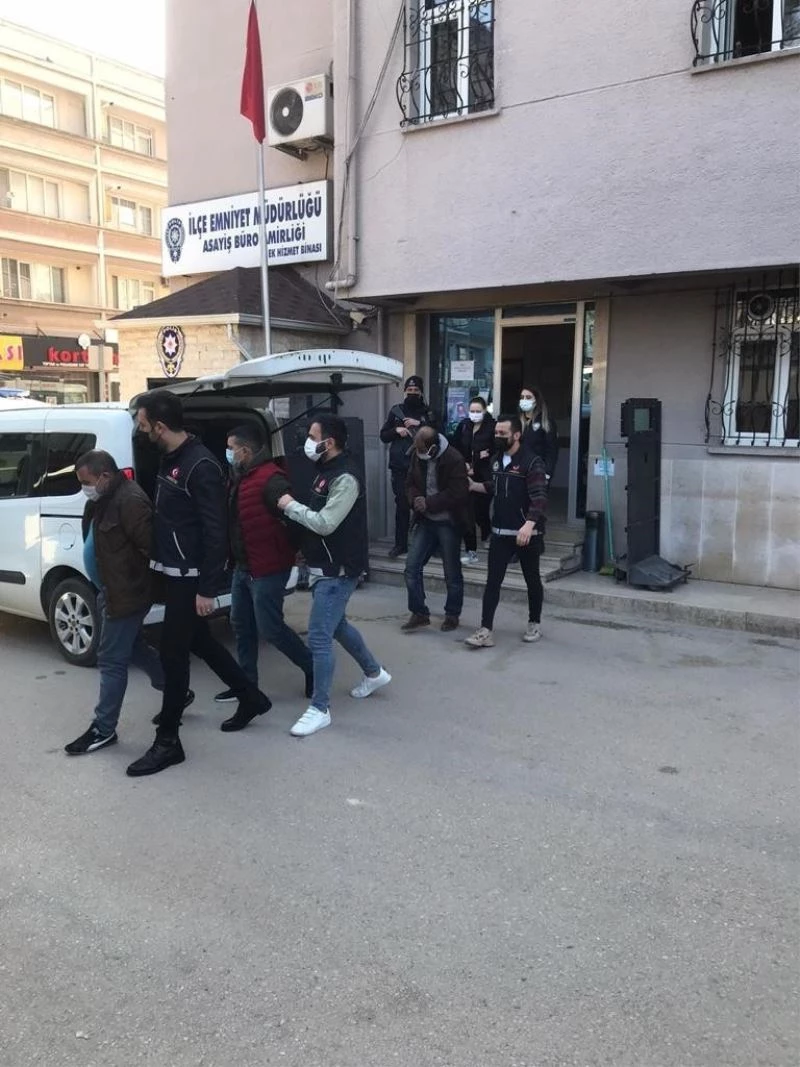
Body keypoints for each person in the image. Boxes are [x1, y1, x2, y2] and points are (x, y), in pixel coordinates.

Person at [127, 391, 272, 777]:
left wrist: (208, 587)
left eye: (143, 426)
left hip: (190, 578)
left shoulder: (200, 465)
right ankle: (251, 697)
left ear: (160, 426)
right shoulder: (172, 458)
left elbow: (215, 531)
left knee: (173, 655)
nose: (141, 432)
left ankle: (168, 742)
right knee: (200, 642)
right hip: (173, 571)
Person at [64, 450, 193, 755]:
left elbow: (151, 548)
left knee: (110, 660)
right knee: (134, 647)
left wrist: (137, 587)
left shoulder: (131, 500)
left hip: (127, 595)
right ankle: (176, 690)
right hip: (110, 590)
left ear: (105, 476)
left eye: (86, 482)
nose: (84, 488)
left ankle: (103, 728)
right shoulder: (102, 499)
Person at [277, 415, 390, 738]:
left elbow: (326, 523)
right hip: (323, 565)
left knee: (319, 636)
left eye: (313, 437)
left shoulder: (346, 478)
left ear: (329, 442)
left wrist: (290, 506)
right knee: (336, 625)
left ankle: (320, 708)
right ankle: (374, 673)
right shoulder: (325, 471)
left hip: (338, 570)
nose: (308, 442)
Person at [218, 423, 313, 703]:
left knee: (270, 628)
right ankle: (247, 685)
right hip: (243, 566)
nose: (228, 453)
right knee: (241, 625)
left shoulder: (271, 479)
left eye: (231, 448)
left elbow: (294, 517)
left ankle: (312, 667)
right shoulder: (240, 476)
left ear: (245, 451)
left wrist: (289, 551)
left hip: (268, 568)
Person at [465, 415, 548, 649]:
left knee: (532, 580)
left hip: (526, 535)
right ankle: (485, 630)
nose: (497, 437)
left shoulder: (532, 462)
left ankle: (534, 623)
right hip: (501, 532)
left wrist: (529, 525)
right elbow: (496, 486)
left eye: (502, 433)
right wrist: (474, 486)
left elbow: (539, 498)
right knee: (492, 581)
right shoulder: (496, 460)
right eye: (496, 433)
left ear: (516, 435)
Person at [402, 425, 469, 633]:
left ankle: (452, 614)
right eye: (417, 451)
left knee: (451, 572)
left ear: (433, 448)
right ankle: (419, 612)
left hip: (448, 522)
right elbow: (410, 483)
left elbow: (458, 492)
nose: (419, 454)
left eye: (423, 451)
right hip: (425, 520)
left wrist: (429, 502)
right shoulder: (417, 455)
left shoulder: (454, 458)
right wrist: (415, 499)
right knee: (411, 568)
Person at [379, 375, 436, 559]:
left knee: (426, 505)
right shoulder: (396, 411)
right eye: (409, 390)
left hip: (423, 465)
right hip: (400, 466)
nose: (412, 393)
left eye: (415, 390)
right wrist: (396, 431)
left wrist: (420, 424)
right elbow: (383, 435)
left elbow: (438, 433)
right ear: (405, 391)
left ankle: (431, 545)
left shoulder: (428, 412)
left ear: (421, 392)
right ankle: (400, 544)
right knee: (402, 506)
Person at [451, 396, 495, 566]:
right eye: (472, 411)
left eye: (478, 411)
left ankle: (486, 533)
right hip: (466, 474)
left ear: (484, 411)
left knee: (481, 510)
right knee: (467, 513)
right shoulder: (464, 425)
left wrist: (481, 456)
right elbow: (455, 446)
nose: (475, 414)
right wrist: (464, 463)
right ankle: (471, 550)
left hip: (484, 475)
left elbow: (495, 449)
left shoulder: (492, 426)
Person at [519, 387, 559, 480]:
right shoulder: (518, 421)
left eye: (528, 397)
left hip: (538, 470)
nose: (524, 400)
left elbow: (551, 450)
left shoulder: (545, 421)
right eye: (522, 397)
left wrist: (547, 472)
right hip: (519, 470)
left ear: (536, 401)